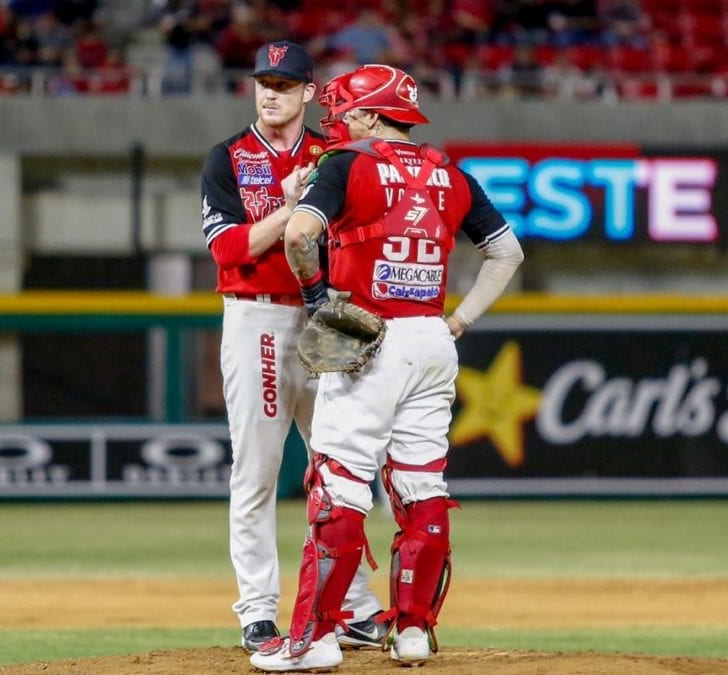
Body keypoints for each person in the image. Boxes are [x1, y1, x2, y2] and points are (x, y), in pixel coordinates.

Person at [250, 63, 525, 672]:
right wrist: (461, 320)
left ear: (373, 114)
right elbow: (507, 251)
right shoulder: (450, 172)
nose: (340, 123)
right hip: (433, 338)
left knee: (338, 486)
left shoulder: (345, 164)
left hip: (367, 337)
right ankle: (414, 633)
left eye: (347, 112)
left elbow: (298, 235)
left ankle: (313, 640)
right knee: (422, 485)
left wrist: (319, 297)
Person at [199, 40, 387, 654]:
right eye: (263, 81)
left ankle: (354, 607)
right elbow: (229, 250)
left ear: (310, 92)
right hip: (257, 318)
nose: (270, 92)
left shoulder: (334, 155)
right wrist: (292, 208)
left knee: (338, 467)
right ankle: (257, 609)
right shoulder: (228, 157)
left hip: (324, 315)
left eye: (284, 83)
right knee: (256, 471)